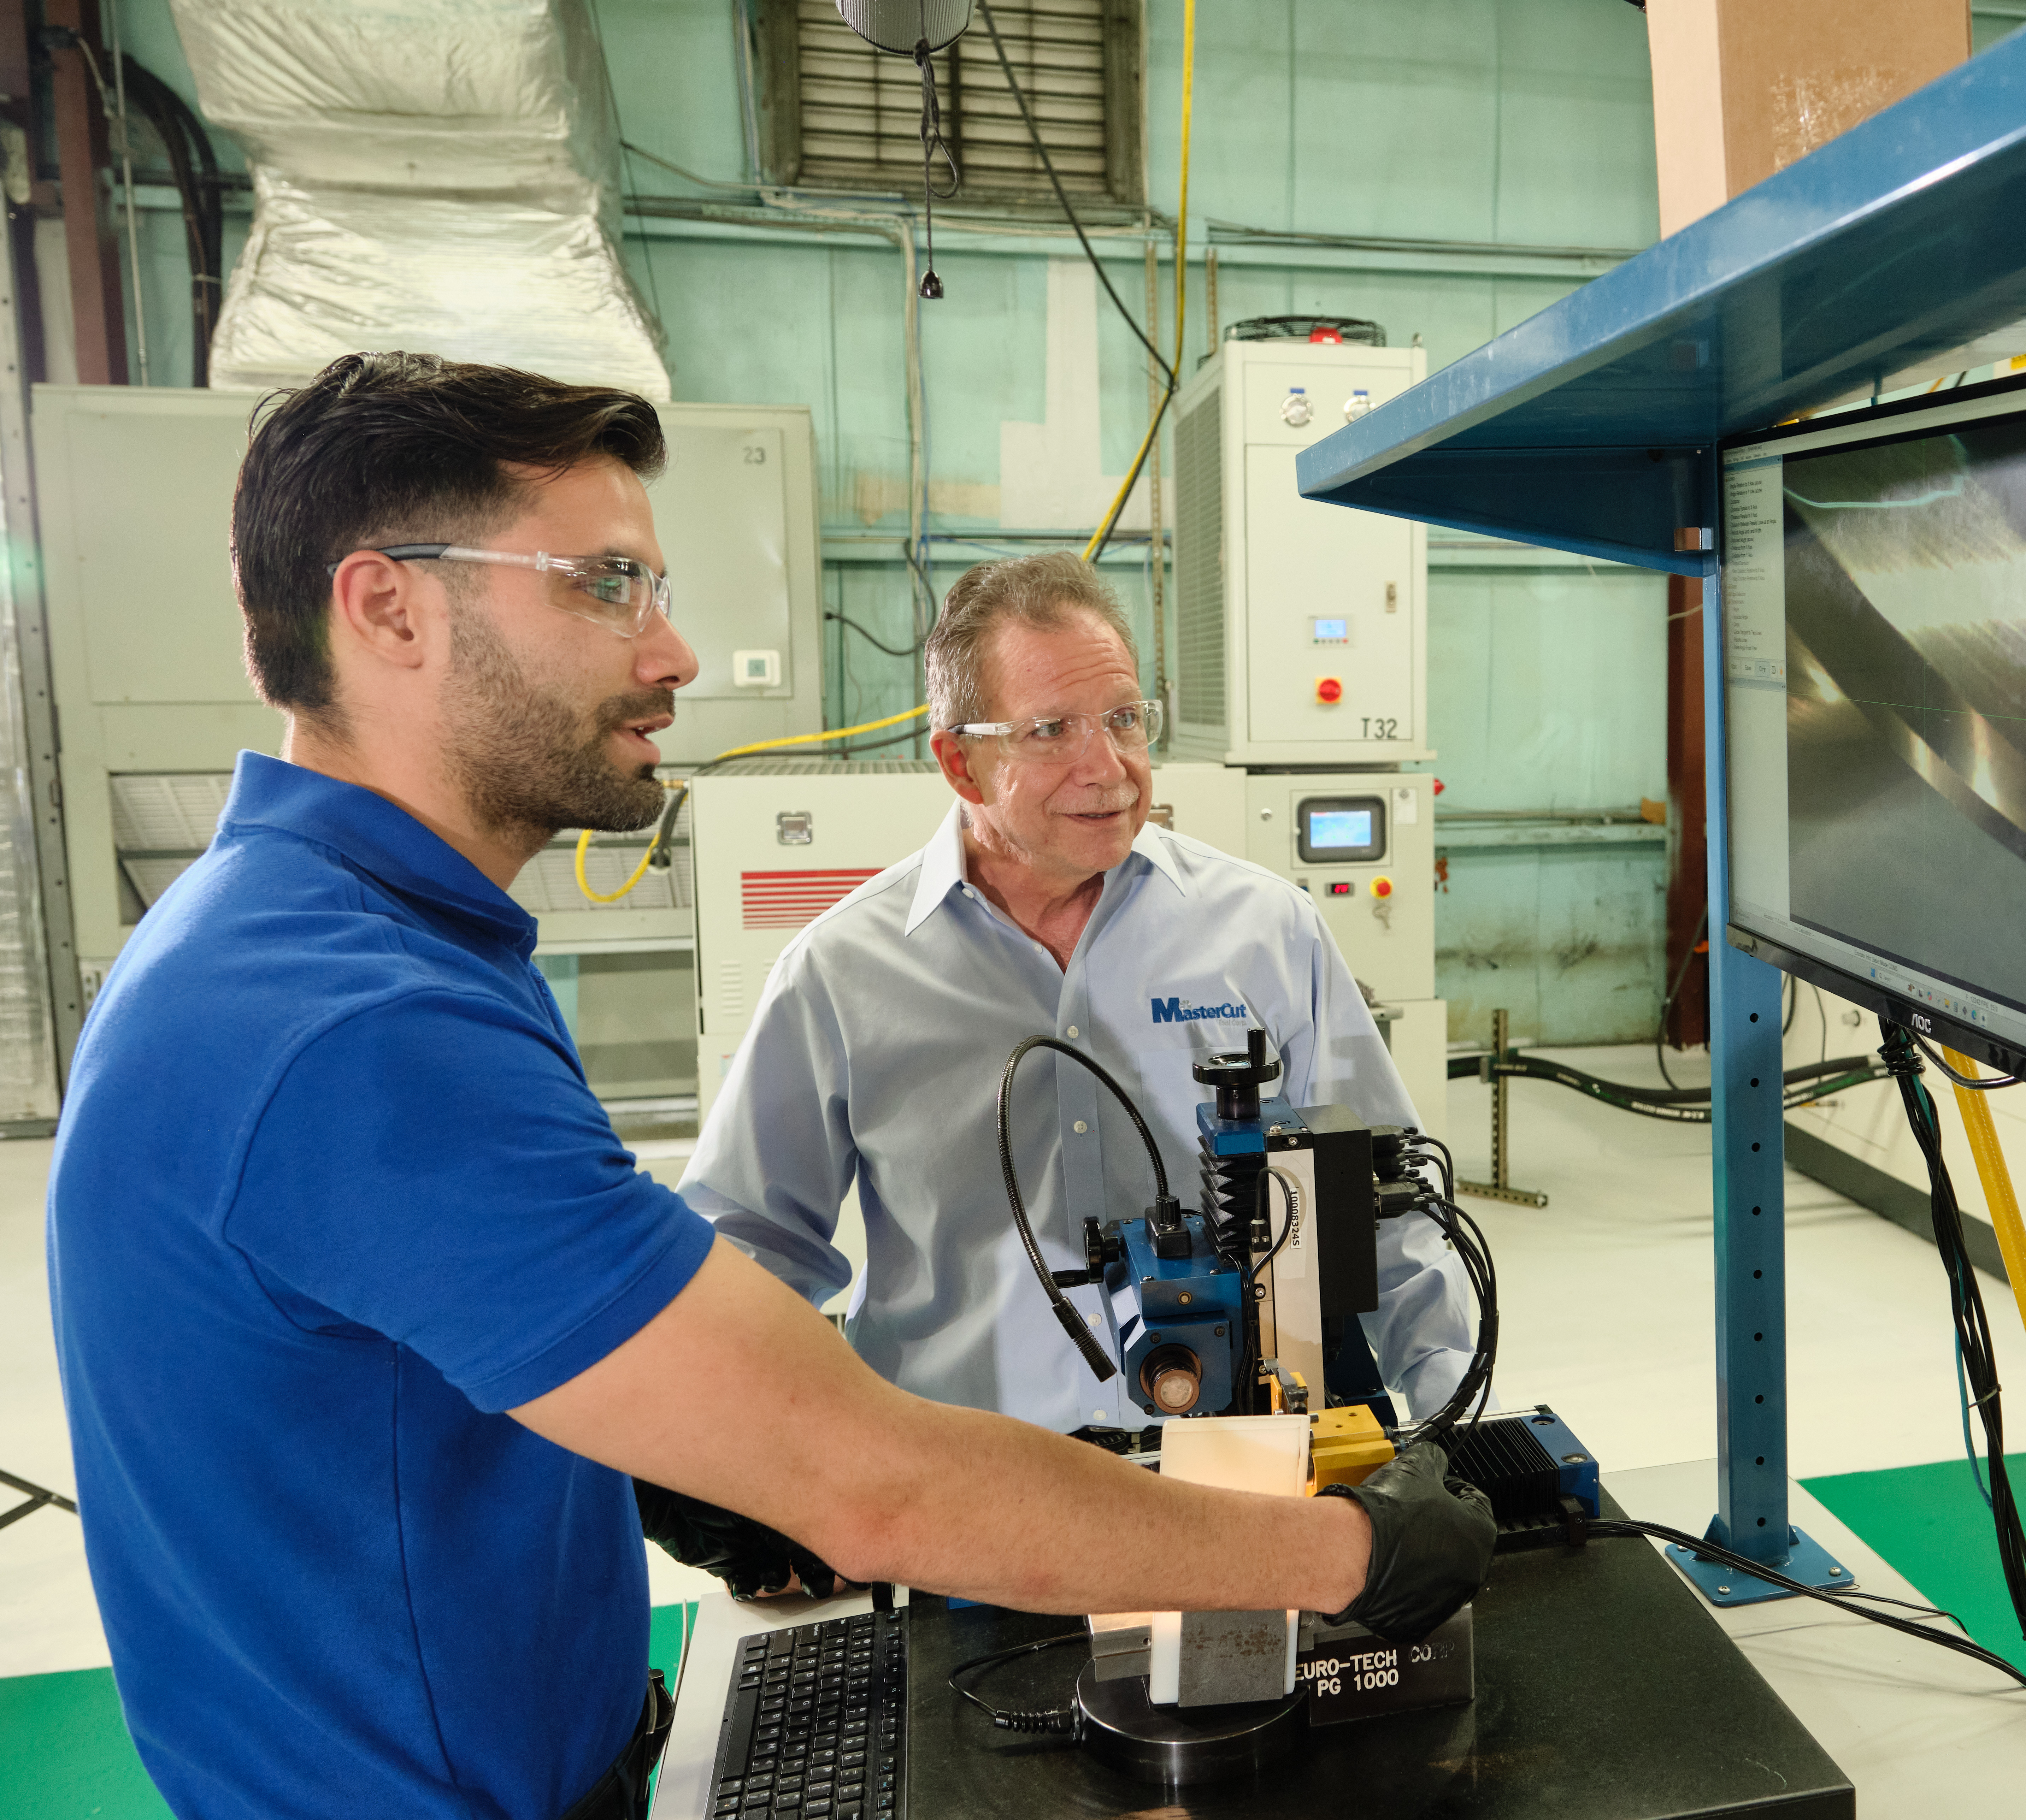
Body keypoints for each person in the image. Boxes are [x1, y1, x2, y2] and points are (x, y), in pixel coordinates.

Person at [45, 353, 1493, 1820]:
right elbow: (874, 1485)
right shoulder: (350, 1020)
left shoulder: (362, 947)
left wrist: (689, 1449)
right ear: (387, 607)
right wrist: (1348, 1557)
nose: (673, 651)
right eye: (606, 583)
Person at [678, 552, 1474, 1443]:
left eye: (1125, 719)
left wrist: (1450, 1419)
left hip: (1232, 1457)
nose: (1110, 767)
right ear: (961, 763)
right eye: (1052, 729)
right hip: (958, 1476)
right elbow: (752, 1248)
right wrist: (761, 1478)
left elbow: (1386, 1213)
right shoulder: (842, 971)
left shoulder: (1267, 931)